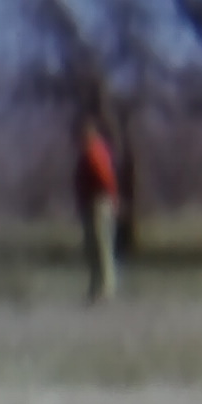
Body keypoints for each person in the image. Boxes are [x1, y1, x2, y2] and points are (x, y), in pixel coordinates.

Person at [73, 118, 123, 302]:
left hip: (98, 203)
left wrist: (111, 199)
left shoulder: (95, 152)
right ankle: (96, 286)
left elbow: (106, 178)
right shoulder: (87, 153)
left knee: (102, 246)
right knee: (92, 247)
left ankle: (106, 288)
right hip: (90, 204)